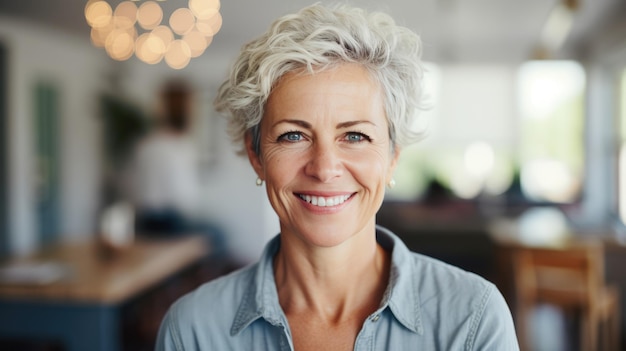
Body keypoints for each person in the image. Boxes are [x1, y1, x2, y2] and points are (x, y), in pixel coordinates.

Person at [156, 3, 519, 350]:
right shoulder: (193, 329)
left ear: (392, 156)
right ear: (257, 156)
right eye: (293, 135)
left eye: (355, 136)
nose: (325, 168)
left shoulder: (473, 318)